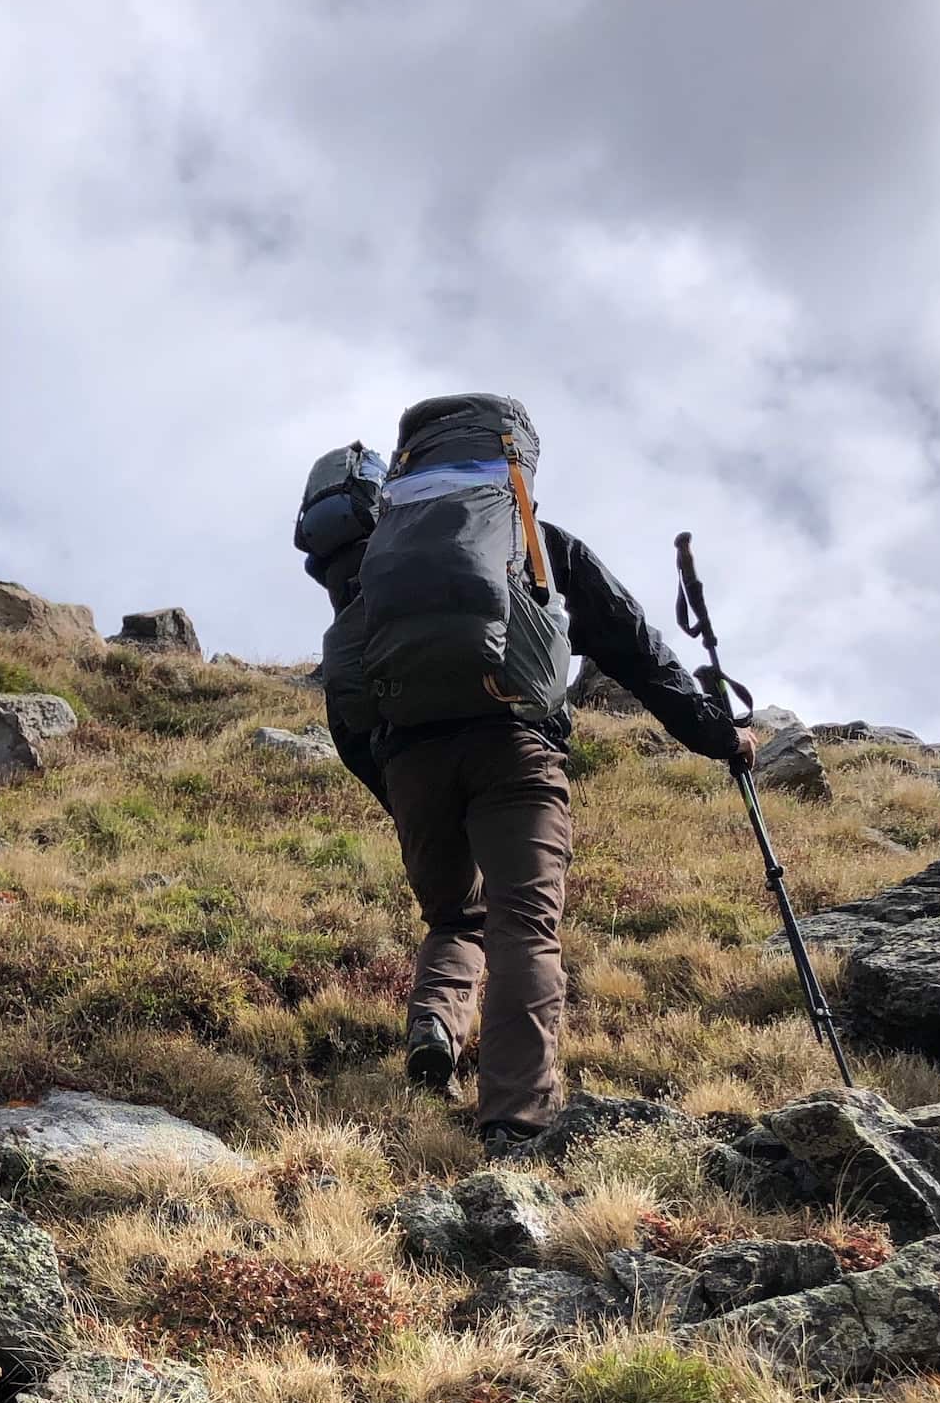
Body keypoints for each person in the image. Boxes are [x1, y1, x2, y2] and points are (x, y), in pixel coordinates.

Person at [318, 392, 753, 1151]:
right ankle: (514, 1121)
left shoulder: (382, 558)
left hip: (412, 760)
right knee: (524, 925)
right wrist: (720, 737)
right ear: (515, 464)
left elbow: (345, 695)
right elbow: (640, 653)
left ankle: (436, 1024)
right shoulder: (541, 546)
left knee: (456, 917)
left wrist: (396, 786)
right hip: (514, 748)